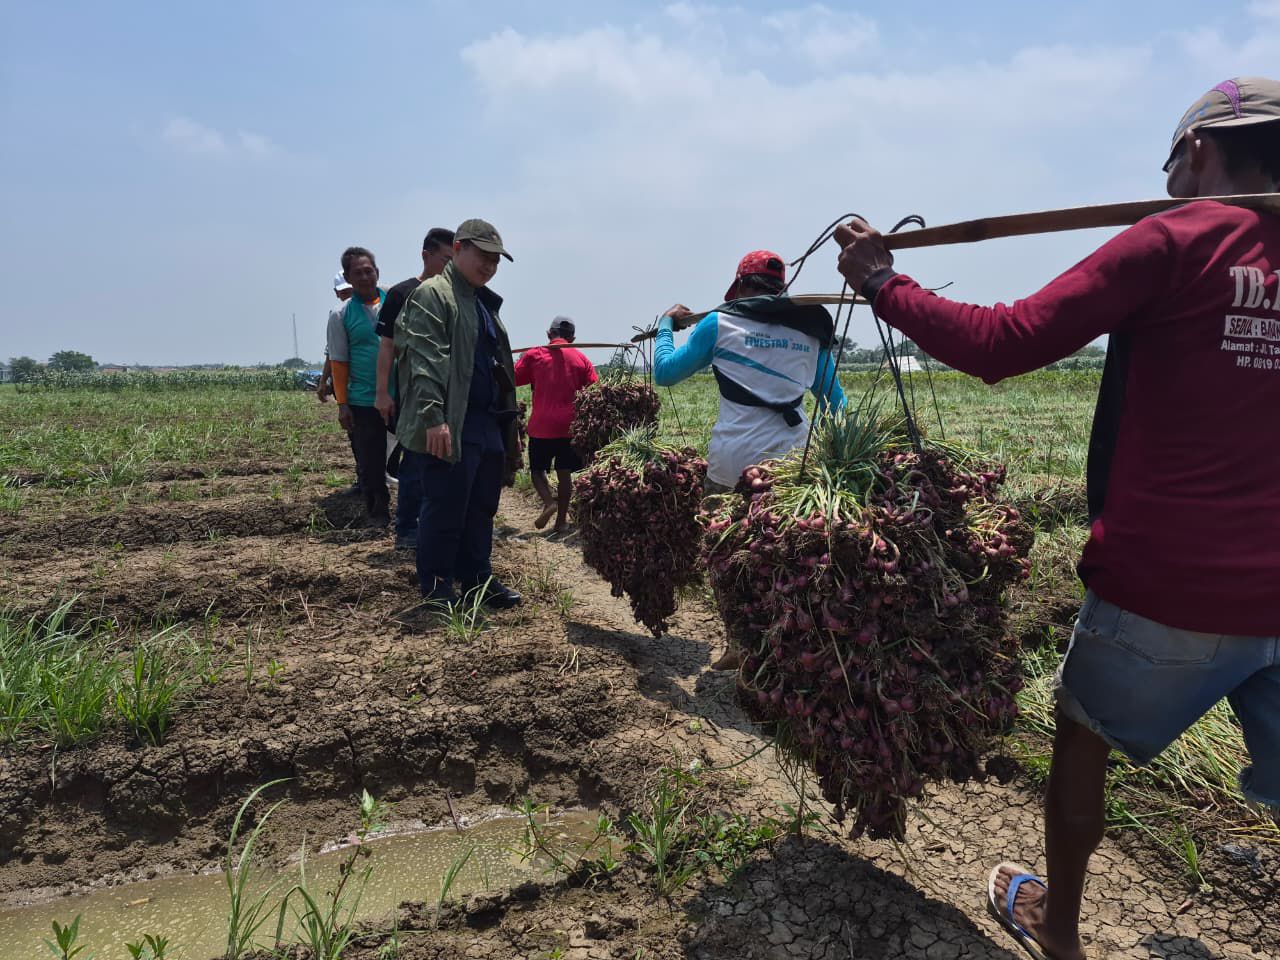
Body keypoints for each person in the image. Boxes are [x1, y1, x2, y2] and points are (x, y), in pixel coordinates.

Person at [834, 76, 1280, 960]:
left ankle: (1061, 931)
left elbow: (1000, 343)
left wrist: (883, 282)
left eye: (1170, 162)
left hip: (1167, 582)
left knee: (1083, 735)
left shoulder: (1173, 238)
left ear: (1198, 150)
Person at [656, 250, 846, 670]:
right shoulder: (808, 331)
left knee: (723, 551)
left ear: (740, 285)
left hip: (731, 466)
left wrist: (665, 325)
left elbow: (665, 373)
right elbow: (836, 403)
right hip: (792, 467)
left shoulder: (718, 323)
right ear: (782, 289)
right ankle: (784, 643)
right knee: (786, 555)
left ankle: (738, 641)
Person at [395, 219, 523, 609]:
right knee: (446, 506)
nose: (489, 266)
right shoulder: (434, 295)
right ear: (458, 248)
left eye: (495, 260)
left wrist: (509, 426)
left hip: (486, 420)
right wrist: (434, 418)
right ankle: (436, 587)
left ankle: (477, 580)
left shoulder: (482, 302)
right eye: (483, 256)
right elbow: (425, 361)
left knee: (481, 506)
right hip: (452, 420)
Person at [374, 227, 456, 551]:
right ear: (426, 255)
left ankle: (439, 526)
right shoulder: (402, 293)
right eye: (446, 259)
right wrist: (383, 393)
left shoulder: (457, 295)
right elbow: (387, 347)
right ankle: (407, 528)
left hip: (452, 394)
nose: (451, 267)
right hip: (416, 393)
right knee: (414, 461)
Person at [514, 316, 598, 534]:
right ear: (573, 338)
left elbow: (512, 378)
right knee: (564, 474)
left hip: (541, 427)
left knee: (537, 471)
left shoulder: (535, 355)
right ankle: (560, 522)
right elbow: (596, 391)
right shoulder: (582, 359)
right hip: (569, 428)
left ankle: (548, 502)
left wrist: (521, 359)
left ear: (549, 334)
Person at [326, 247, 390, 526]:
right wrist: (343, 404)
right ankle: (378, 513)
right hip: (363, 399)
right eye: (357, 273)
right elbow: (339, 363)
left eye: (368, 271)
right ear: (348, 278)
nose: (364, 277)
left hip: (400, 395)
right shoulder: (340, 315)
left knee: (412, 456)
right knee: (371, 461)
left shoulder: (395, 301)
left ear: (377, 272)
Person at [320, 272, 362, 494]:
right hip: (348, 386)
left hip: (369, 384)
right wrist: (323, 381)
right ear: (336, 293)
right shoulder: (337, 315)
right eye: (344, 292)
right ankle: (364, 478)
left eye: (350, 291)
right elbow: (333, 354)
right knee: (356, 435)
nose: (347, 295)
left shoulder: (372, 310)